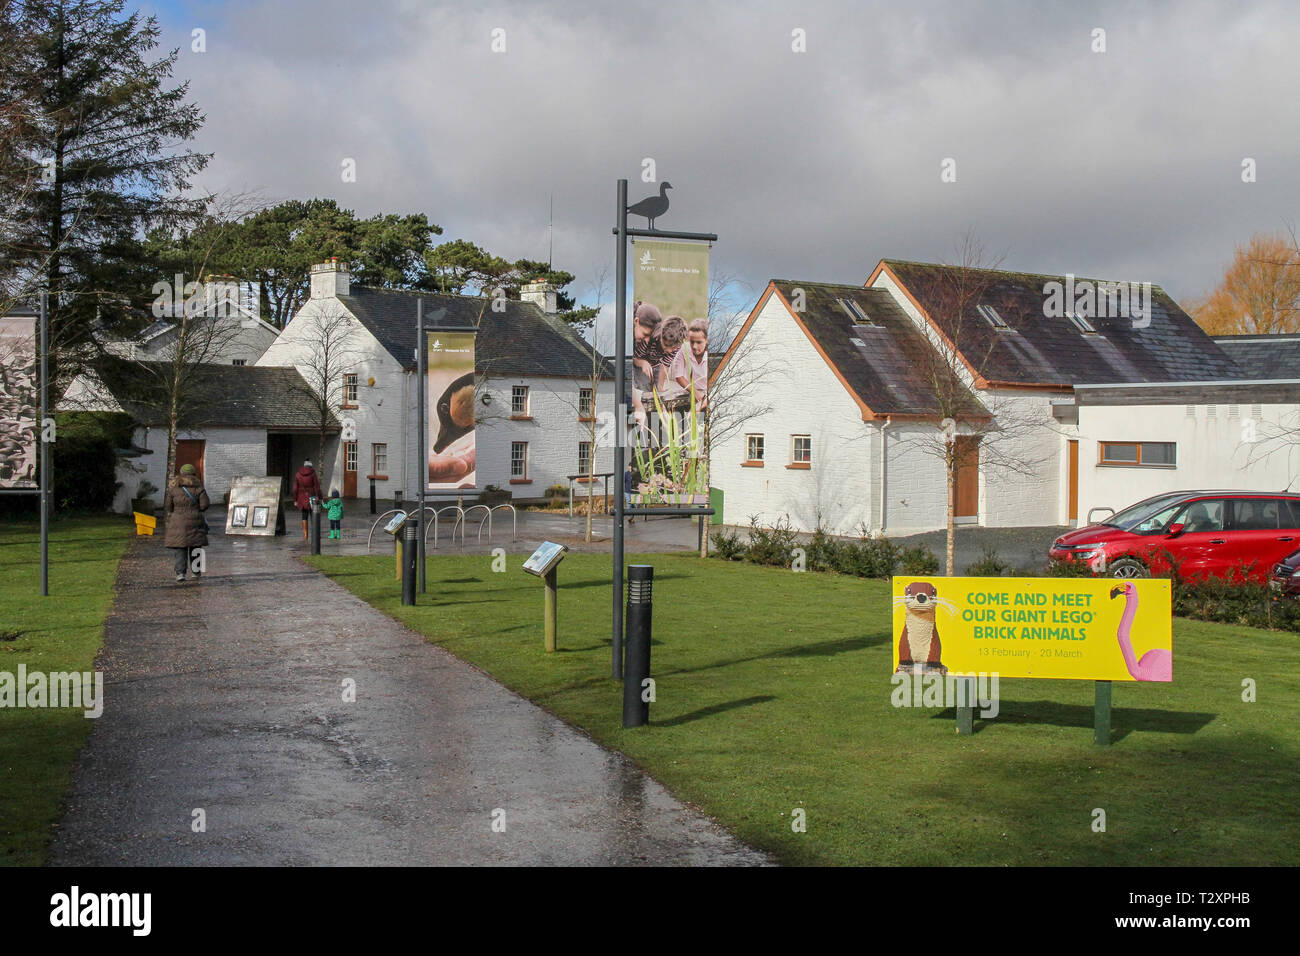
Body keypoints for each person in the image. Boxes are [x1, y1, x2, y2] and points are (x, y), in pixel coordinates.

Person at [163, 463, 210, 583]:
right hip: (195, 521)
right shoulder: (199, 488)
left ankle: (180, 574)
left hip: (178, 522)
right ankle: (196, 572)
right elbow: (204, 506)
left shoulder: (173, 489)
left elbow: (168, 506)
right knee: (196, 547)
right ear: (194, 474)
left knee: (180, 547)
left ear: (181, 474)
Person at [291, 460, 322, 540]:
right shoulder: (313, 474)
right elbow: (317, 487)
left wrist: (295, 500)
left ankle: (305, 535)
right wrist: (320, 497)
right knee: (313, 515)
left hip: (301, 498)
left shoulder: (298, 474)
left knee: (304, 516)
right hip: (312, 497)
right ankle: (314, 534)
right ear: (311, 466)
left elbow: (295, 489)